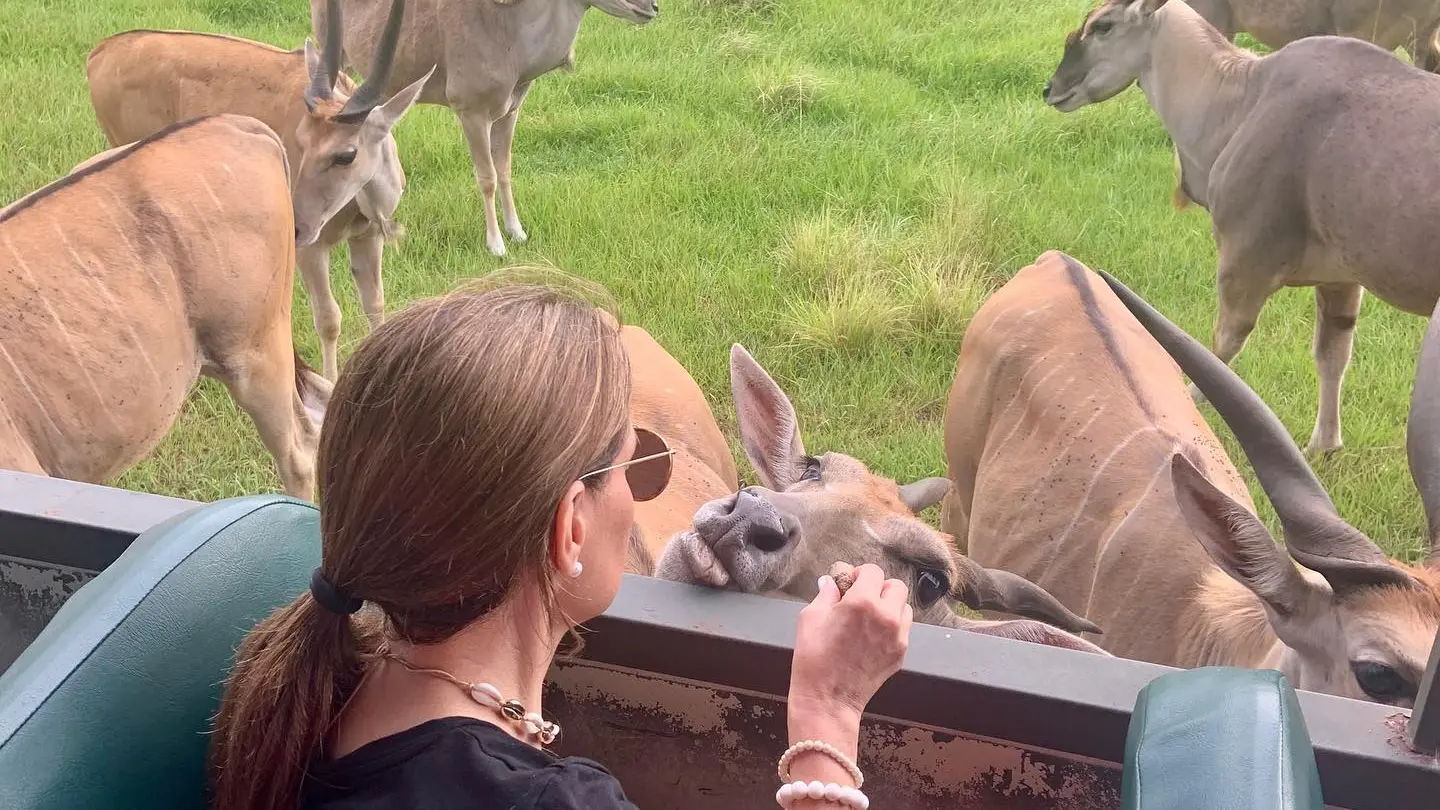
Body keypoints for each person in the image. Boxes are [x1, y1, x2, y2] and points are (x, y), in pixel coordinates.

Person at [206, 268, 912, 810]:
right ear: (570, 524)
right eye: (632, 469)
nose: (639, 498)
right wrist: (829, 713)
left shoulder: (305, 698)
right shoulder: (547, 802)